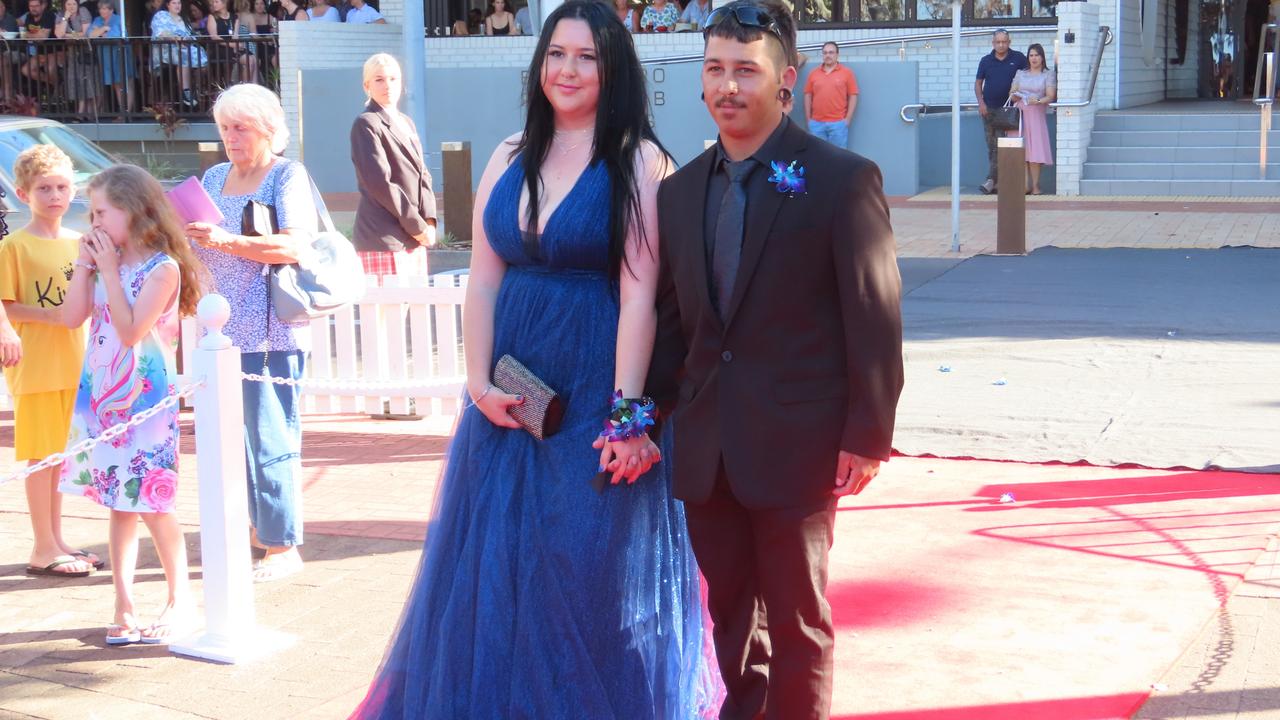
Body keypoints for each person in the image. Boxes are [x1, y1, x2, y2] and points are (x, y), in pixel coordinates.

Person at [351, 2, 716, 716]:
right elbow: (483, 278)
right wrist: (478, 382)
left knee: (588, 574)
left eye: (586, 56)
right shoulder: (510, 153)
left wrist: (625, 417)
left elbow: (643, 299)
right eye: (557, 54)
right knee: (497, 574)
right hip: (506, 405)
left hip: (595, 395)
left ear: (613, 70)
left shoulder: (641, 161)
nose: (568, 70)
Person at [647, 2, 904, 718]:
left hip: (800, 445)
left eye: (746, 71)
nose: (729, 86)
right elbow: (674, 330)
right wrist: (637, 415)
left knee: (797, 621)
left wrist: (866, 433)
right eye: (715, 70)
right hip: (707, 448)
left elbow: (874, 315)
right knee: (732, 617)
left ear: (784, 80)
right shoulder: (680, 191)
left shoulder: (837, 179)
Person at [58, 164, 206, 645]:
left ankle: (179, 599)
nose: (94, 221)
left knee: (152, 500)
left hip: (143, 397)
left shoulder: (161, 268)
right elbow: (71, 316)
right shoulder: (110, 261)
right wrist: (87, 264)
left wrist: (106, 270)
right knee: (117, 503)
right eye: (92, 212)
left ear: (134, 210)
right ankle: (123, 603)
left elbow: (131, 331)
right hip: (99, 393)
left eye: (102, 211)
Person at [185, 84, 319, 583]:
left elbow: (295, 247)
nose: (230, 138)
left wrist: (229, 239)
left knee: (270, 434)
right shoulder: (216, 175)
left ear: (267, 129)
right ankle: (253, 532)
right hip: (218, 329)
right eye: (224, 128)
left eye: (240, 127)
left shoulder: (288, 174)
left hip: (270, 331)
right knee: (228, 438)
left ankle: (282, 544)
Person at [0, 145, 98, 579]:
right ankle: (41, 546)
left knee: (61, 456)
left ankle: (56, 540)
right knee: (42, 456)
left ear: (73, 190)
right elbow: (6, 304)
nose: (54, 195)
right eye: (44, 188)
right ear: (24, 194)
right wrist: (51, 317)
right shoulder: (12, 247)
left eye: (61, 187)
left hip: (74, 362)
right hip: (36, 364)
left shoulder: (80, 243)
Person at [350, 54, 436, 277]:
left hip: (413, 239)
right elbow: (380, 183)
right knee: (387, 312)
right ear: (366, 85)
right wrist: (418, 227)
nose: (387, 85)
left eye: (393, 78)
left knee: (414, 310)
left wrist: (430, 222)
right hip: (383, 238)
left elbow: (422, 175)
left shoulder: (406, 122)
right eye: (379, 79)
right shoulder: (366, 123)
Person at [974, 29, 1027, 194]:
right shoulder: (985, 61)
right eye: (998, 42)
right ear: (993, 43)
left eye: (1004, 42)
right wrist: (981, 103)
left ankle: (997, 181)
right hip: (989, 110)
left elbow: (1028, 77)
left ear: (1009, 42)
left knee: (1008, 146)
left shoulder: (1018, 58)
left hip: (1011, 111)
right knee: (993, 146)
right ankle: (994, 180)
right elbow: (978, 84)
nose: (1001, 45)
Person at [1009, 42, 1055, 195]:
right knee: (1021, 150)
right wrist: (1016, 95)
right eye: (1031, 55)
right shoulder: (1020, 73)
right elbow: (1012, 94)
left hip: (1036, 113)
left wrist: (1039, 101)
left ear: (1042, 57)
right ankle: (1023, 185)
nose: (1034, 58)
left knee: (1035, 151)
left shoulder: (1048, 74)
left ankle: (1035, 185)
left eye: (1037, 55)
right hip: (1020, 114)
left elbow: (1051, 95)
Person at [150, 0, 209, 108]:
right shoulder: (161, 16)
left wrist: (186, 39)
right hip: (166, 48)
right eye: (174, 3)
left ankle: (198, 89)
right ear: (168, 5)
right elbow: (161, 33)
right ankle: (185, 90)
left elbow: (189, 34)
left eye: (179, 3)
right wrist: (175, 39)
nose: (177, 6)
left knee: (201, 57)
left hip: (183, 47)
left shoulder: (182, 19)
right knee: (184, 56)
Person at [803, 41, 858, 149]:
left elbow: (853, 95)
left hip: (838, 124)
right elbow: (807, 95)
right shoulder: (813, 73)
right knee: (817, 156)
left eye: (831, 53)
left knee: (838, 158)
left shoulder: (847, 73)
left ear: (837, 55)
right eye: (825, 53)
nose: (828, 55)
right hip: (816, 124)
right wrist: (809, 119)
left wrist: (847, 120)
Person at [90, 0, 137, 115]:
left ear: (111, 10)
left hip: (120, 53)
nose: (102, 11)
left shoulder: (118, 19)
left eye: (105, 8)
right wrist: (104, 29)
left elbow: (116, 36)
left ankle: (127, 112)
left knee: (125, 82)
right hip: (106, 56)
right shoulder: (97, 20)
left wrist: (100, 32)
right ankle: (122, 111)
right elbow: (90, 35)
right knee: (116, 83)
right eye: (101, 8)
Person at [206, 0, 257, 83]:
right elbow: (214, 36)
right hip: (219, 48)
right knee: (248, 60)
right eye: (213, 2)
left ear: (224, 2)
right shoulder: (212, 17)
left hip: (232, 47)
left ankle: (250, 87)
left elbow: (235, 35)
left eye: (216, 2)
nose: (214, 4)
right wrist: (231, 45)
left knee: (253, 59)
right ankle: (243, 88)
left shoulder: (234, 17)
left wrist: (236, 45)